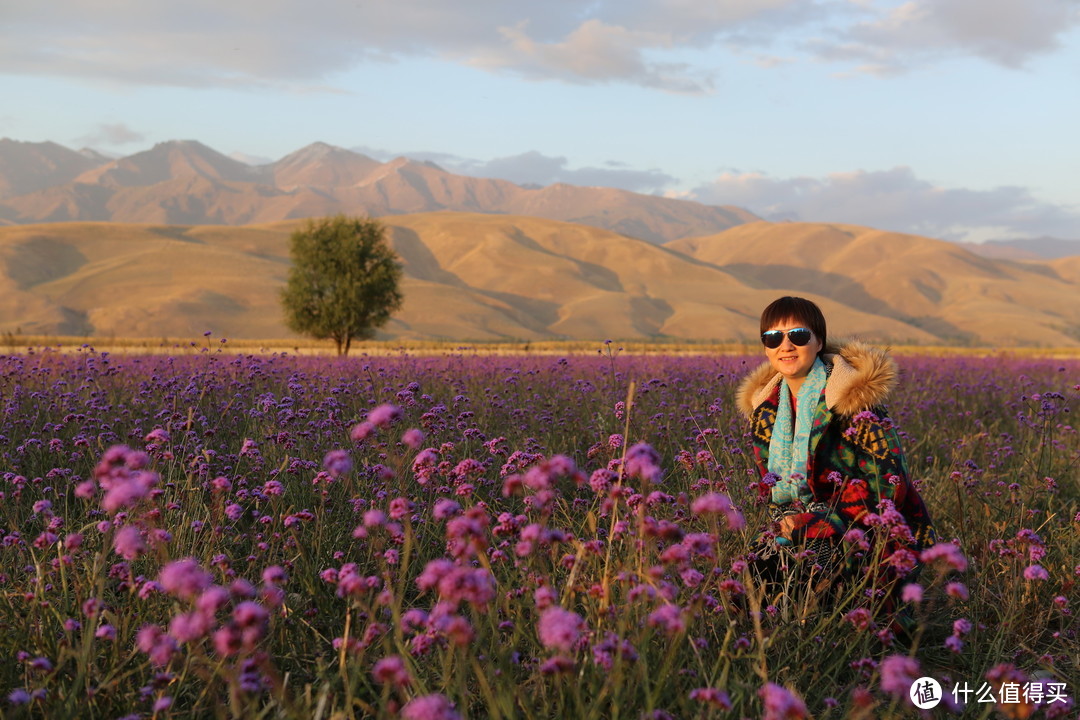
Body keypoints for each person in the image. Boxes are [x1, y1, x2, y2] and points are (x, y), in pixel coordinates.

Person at [735, 296, 936, 630]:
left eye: (798, 335)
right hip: (794, 523)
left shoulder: (853, 403)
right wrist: (786, 525)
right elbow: (771, 489)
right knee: (748, 584)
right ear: (766, 349)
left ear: (818, 341)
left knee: (817, 591)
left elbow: (888, 486)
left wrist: (816, 521)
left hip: (863, 530)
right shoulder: (766, 411)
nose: (786, 345)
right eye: (773, 338)